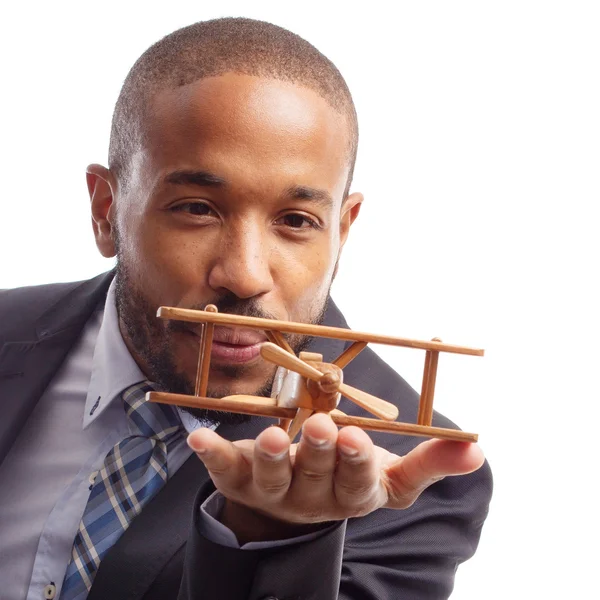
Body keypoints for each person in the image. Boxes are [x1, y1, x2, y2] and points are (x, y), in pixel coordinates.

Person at [0, 17, 492, 600]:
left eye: (295, 222)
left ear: (342, 229)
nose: (244, 275)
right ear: (106, 209)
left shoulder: (406, 476)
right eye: (197, 209)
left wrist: (278, 537)